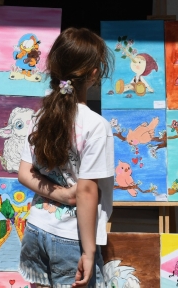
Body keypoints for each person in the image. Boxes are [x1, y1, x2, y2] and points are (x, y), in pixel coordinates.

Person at [18, 27, 115, 288]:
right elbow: (86, 191)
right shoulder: (96, 126)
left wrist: (61, 195)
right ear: (93, 73)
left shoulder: (41, 116)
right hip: (72, 238)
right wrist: (89, 251)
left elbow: (24, 173)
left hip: (36, 230)